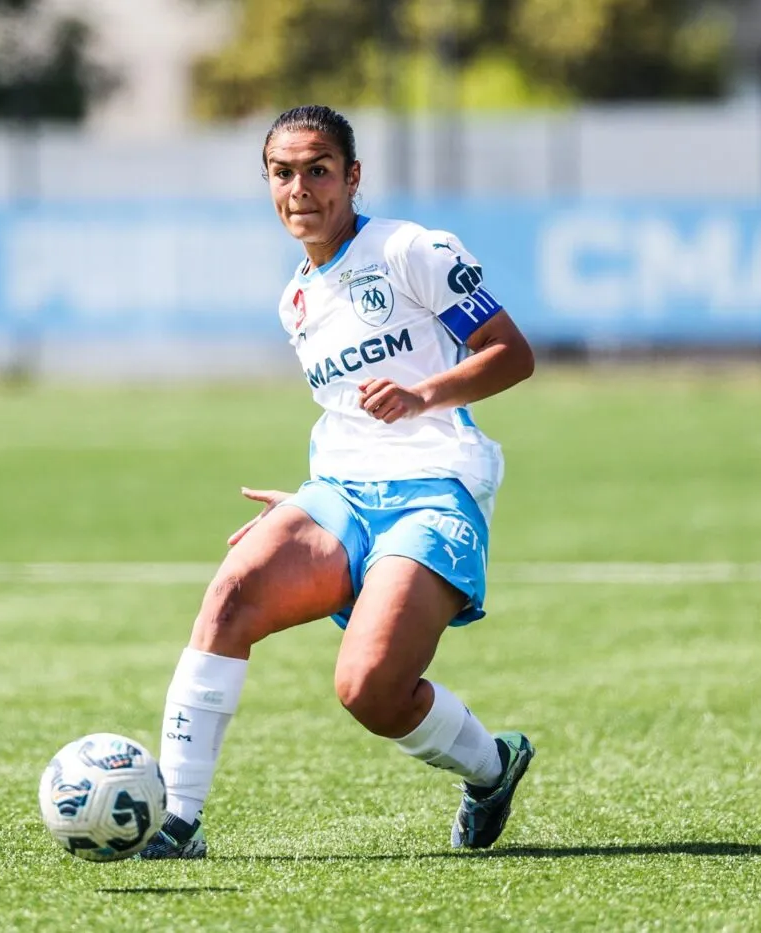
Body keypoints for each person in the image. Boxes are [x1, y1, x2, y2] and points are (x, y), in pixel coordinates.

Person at [139, 104, 537, 859]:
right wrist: (307, 501)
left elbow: (511, 353)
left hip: (433, 489)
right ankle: (178, 819)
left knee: (369, 689)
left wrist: (424, 396)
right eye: (283, 173)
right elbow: (347, 419)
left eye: (318, 170)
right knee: (229, 595)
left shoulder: (412, 249)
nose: (300, 188)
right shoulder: (295, 299)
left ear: (352, 177)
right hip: (341, 495)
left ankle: (492, 767)